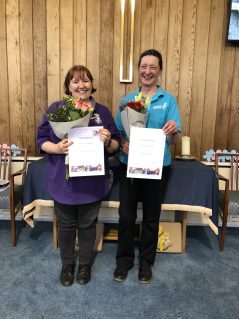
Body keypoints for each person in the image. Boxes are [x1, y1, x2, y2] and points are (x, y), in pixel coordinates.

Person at [37, 65, 120, 287]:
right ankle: (67, 265)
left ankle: (84, 265)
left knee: (88, 225)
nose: (81, 85)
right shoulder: (56, 109)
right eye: (75, 81)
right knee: (65, 226)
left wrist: (108, 140)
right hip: (63, 182)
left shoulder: (102, 112)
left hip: (92, 181)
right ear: (68, 86)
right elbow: (41, 139)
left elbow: (115, 146)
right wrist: (57, 149)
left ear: (92, 84)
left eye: (85, 81)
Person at [114, 49, 181, 283]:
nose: (148, 71)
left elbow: (173, 140)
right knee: (126, 216)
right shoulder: (126, 101)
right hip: (128, 166)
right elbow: (118, 135)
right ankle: (123, 261)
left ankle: (146, 263)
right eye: (144, 66)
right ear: (138, 69)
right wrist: (122, 144)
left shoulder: (169, 100)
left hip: (157, 166)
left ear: (160, 71)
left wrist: (173, 131)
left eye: (153, 67)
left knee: (152, 217)